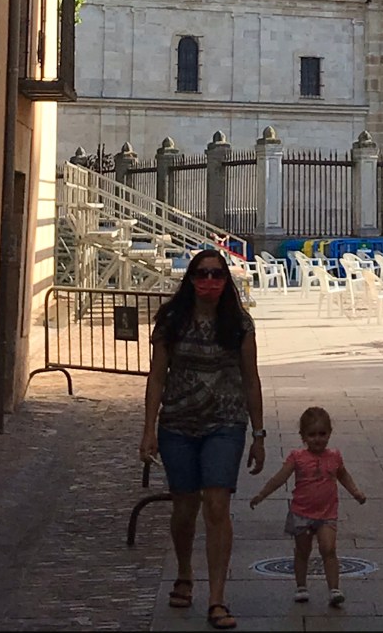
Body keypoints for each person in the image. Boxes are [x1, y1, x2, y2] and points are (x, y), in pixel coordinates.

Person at [140, 249, 266, 632]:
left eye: (216, 274)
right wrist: (148, 429)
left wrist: (258, 433)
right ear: (191, 278)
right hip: (178, 424)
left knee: (217, 505)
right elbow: (157, 376)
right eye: (202, 274)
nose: (209, 281)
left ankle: (217, 597)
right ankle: (183, 572)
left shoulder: (239, 324)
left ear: (225, 280)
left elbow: (251, 379)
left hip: (225, 424)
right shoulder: (172, 321)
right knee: (184, 508)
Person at [249, 405, 366, 607]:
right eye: (312, 435)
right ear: (303, 436)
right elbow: (279, 478)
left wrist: (356, 492)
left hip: (327, 513)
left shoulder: (334, 456)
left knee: (329, 549)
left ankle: (334, 588)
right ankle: (301, 586)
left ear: (329, 433)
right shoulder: (297, 457)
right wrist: (262, 494)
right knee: (303, 551)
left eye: (322, 434)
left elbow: (343, 475)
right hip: (302, 513)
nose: (317, 439)